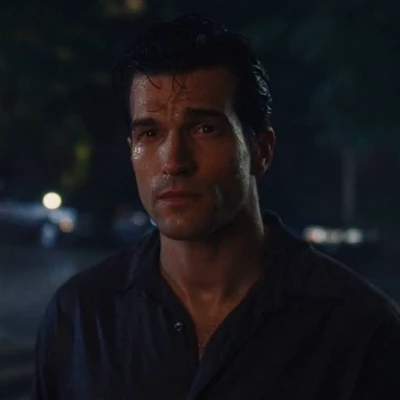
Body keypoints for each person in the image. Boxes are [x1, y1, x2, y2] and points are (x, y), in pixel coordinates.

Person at [31, 14, 400, 400]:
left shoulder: (359, 329)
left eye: (204, 128)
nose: (174, 162)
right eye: (151, 133)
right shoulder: (80, 316)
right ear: (131, 151)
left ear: (261, 150)